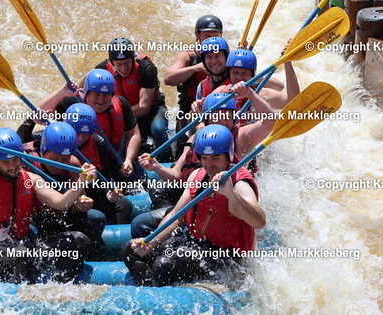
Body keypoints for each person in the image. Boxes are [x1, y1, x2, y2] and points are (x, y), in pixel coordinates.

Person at [0, 127, 96, 284]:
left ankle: (59, 287)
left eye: (15, 159)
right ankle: (26, 293)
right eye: (6, 162)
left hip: (20, 246)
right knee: (21, 253)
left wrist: (82, 181)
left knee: (78, 240)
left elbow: (60, 203)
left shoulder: (31, 179)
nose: (12, 166)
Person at [123, 124, 266, 287]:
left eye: (215, 158)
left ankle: (162, 293)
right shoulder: (197, 175)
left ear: (229, 155)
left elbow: (259, 222)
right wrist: (151, 242)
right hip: (196, 245)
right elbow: (176, 216)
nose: (209, 164)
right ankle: (150, 290)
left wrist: (231, 195)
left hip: (227, 257)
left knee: (165, 264)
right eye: (204, 158)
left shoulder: (239, 183)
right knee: (131, 250)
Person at [37, 69, 143, 181]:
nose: (101, 99)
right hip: (73, 164)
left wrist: (128, 159)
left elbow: (133, 133)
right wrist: (62, 92)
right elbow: (38, 113)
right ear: (86, 92)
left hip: (110, 157)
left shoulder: (121, 104)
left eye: (106, 95)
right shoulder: (72, 104)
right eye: (96, 94)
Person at [21, 122, 106, 252]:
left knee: (96, 217)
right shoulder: (26, 161)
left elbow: (78, 200)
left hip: (58, 216)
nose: (58, 164)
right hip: (32, 219)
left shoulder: (73, 164)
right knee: (29, 231)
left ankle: (90, 255)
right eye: (54, 158)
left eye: (64, 159)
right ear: (43, 150)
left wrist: (81, 205)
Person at [82, 37, 171, 162]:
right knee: (119, 146)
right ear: (111, 62)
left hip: (151, 110)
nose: (124, 68)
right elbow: (81, 89)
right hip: (125, 115)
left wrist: (117, 116)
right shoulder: (102, 68)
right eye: (119, 64)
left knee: (158, 129)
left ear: (133, 59)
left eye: (127, 63)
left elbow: (144, 107)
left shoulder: (145, 68)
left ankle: (166, 161)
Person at [64, 102, 132, 225]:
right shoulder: (52, 140)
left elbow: (106, 174)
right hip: (65, 194)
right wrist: (31, 121)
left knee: (124, 204)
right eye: (77, 133)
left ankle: (113, 234)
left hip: (90, 193)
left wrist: (109, 191)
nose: (80, 138)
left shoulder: (98, 142)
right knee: (93, 216)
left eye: (85, 133)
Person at [164, 15, 223, 133]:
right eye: (207, 36)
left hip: (218, 110)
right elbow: (168, 79)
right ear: (197, 35)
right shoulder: (188, 56)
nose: (211, 41)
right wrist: (195, 68)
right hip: (190, 111)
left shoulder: (225, 56)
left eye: (215, 36)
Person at [223, 48, 300, 125]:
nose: (239, 77)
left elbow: (293, 101)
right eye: (235, 73)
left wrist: (287, 62)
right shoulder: (221, 92)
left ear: (252, 75)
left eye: (245, 73)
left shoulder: (261, 95)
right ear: (229, 74)